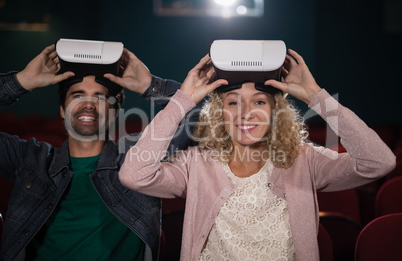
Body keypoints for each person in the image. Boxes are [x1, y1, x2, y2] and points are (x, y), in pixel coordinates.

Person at [119, 50, 396, 260]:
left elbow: (379, 162)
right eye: (233, 102)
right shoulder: (196, 163)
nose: (246, 113)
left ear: (275, 111)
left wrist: (316, 96)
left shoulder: (305, 159)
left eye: (259, 102)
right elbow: (134, 175)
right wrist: (182, 101)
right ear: (219, 112)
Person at [0, 44, 195, 261]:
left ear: (115, 112)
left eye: (100, 98)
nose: (89, 105)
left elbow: (203, 121)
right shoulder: (29, 160)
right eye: (78, 95)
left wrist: (149, 86)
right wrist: (21, 81)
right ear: (63, 110)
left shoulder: (139, 158)